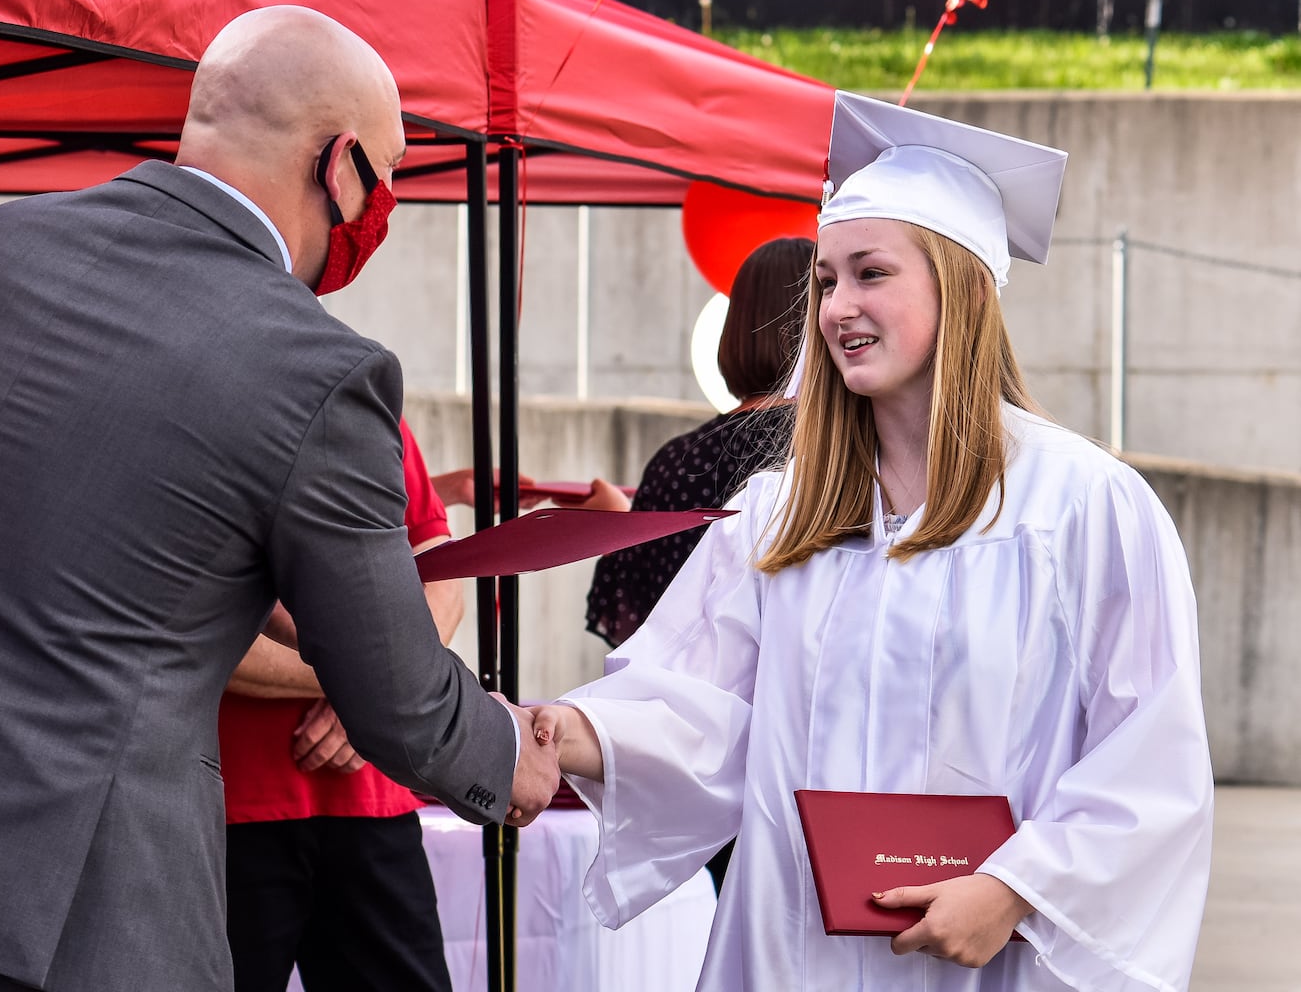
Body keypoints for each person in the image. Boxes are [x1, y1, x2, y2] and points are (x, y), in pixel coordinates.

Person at [0, 6, 558, 992]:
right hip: (63, 909)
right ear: (341, 169)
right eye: (385, 177)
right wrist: (507, 755)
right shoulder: (316, 368)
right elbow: (397, 695)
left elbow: (23, 538)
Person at [529, 91, 1214, 990]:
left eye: (870, 273)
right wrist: (548, 731)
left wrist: (1014, 889)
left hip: (986, 957)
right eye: (824, 281)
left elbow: (1150, 755)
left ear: (963, 287)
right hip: (792, 952)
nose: (836, 307)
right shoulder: (780, 513)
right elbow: (690, 710)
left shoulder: (1082, 507)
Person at [219, 417, 459, 992]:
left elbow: (443, 585)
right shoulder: (193, 403)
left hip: (371, 799)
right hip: (224, 808)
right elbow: (188, 629)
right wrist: (366, 686)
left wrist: (370, 693)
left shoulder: (364, 401)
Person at [585, 235, 813, 652]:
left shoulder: (674, 460)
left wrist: (619, 522)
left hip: (680, 707)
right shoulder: (834, 450)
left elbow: (637, 620)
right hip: (791, 705)